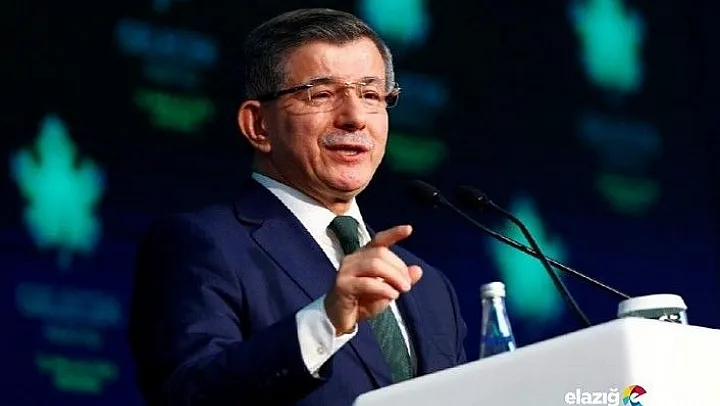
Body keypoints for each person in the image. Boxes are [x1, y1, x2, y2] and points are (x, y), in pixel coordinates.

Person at [127, 8, 467, 406]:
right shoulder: (201, 245)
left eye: (371, 95)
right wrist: (325, 321)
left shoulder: (428, 286)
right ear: (258, 125)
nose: (355, 117)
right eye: (321, 94)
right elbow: (188, 394)